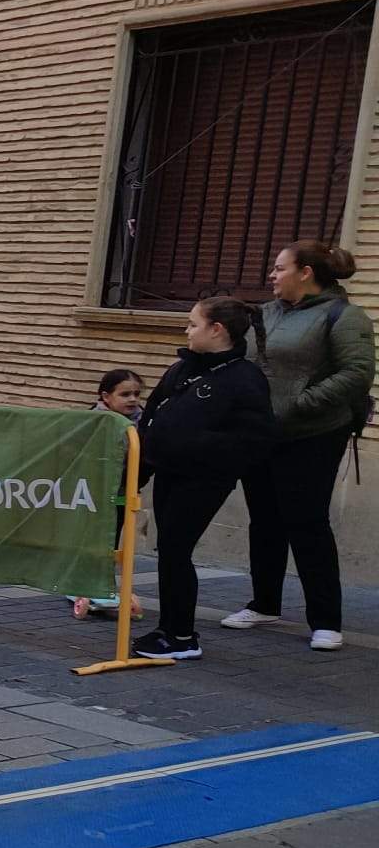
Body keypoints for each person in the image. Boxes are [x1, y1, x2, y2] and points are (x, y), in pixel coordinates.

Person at [225, 240, 375, 652]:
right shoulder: (266, 313)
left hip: (313, 435)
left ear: (305, 272)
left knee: (307, 524)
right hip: (261, 434)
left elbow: (356, 373)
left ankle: (326, 620)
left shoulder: (345, 317)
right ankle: (264, 603)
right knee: (265, 521)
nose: (271, 275)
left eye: (279, 268)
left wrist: (301, 405)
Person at [132, 296, 276, 662]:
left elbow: (252, 441)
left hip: (203, 479)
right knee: (169, 550)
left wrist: (196, 448)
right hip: (168, 472)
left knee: (178, 549)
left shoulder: (245, 379)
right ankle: (169, 628)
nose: (186, 330)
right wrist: (136, 474)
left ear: (217, 330)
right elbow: (152, 420)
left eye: (193, 324)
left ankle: (182, 635)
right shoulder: (182, 370)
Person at [72, 369, 145, 619]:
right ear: (106, 396)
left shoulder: (142, 421)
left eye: (136, 394)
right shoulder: (95, 421)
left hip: (126, 490)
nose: (133, 399)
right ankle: (89, 584)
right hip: (97, 490)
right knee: (96, 538)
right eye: (125, 394)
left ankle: (104, 584)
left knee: (114, 539)